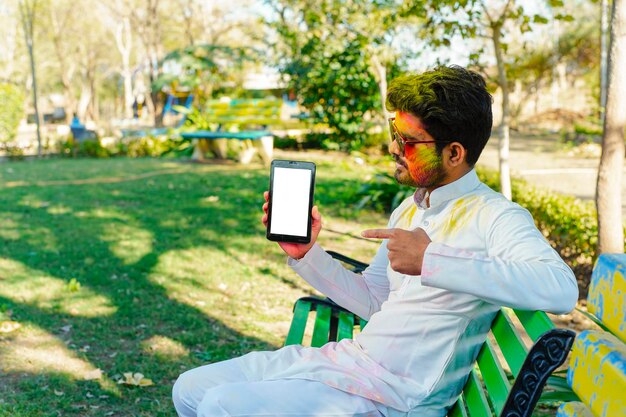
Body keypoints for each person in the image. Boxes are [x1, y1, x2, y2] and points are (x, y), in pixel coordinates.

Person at [172, 65, 578, 417]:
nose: (393, 149)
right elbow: (375, 300)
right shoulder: (410, 208)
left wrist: (432, 259)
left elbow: (560, 289)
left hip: (393, 397)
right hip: (350, 367)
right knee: (189, 390)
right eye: (394, 134)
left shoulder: (496, 216)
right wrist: (308, 255)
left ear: (454, 153)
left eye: (408, 142)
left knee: (219, 407)